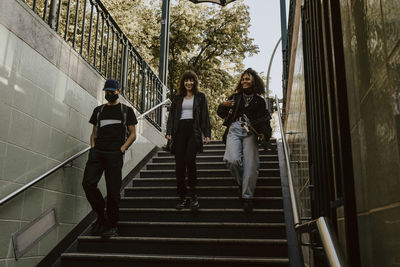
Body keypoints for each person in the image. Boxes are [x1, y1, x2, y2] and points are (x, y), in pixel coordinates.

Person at [82, 79, 137, 237]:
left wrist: (122, 149)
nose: (109, 94)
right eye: (107, 91)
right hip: (97, 152)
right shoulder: (98, 110)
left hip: (115, 154)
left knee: (113, 192)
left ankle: (112, 225)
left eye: (112, 92)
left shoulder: (126, 111)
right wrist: (92, 147)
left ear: (119, 92)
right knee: (88, 183)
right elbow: (94, 132)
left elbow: (133, 134)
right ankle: (101, 214)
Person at [217, 68, 271, 212]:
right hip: (234, 128)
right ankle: (243, 183)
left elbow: (265, 120)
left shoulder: (259, 101)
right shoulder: (235, 97)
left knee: (251, 164)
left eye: (247, 79)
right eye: (243, 79)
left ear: (254, 81)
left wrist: (265, 134)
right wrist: (223, 105)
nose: (244, 81)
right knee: (231, 159)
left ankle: (247, 196)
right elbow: (221, 113)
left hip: (251, 132)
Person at [166, 70, 211, 211]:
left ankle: (193, 196)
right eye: (186, 80)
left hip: (193, 130)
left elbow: (205, 115)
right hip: (179, 131)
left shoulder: (200, 97)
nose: (189, 83)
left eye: (191, 80)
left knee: (189, 160)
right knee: (179, 166)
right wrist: (169, 131)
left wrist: (207, 133)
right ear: (183, 82)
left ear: (195, 82)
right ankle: (182, 198)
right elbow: (172, 116)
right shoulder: (178, 97)